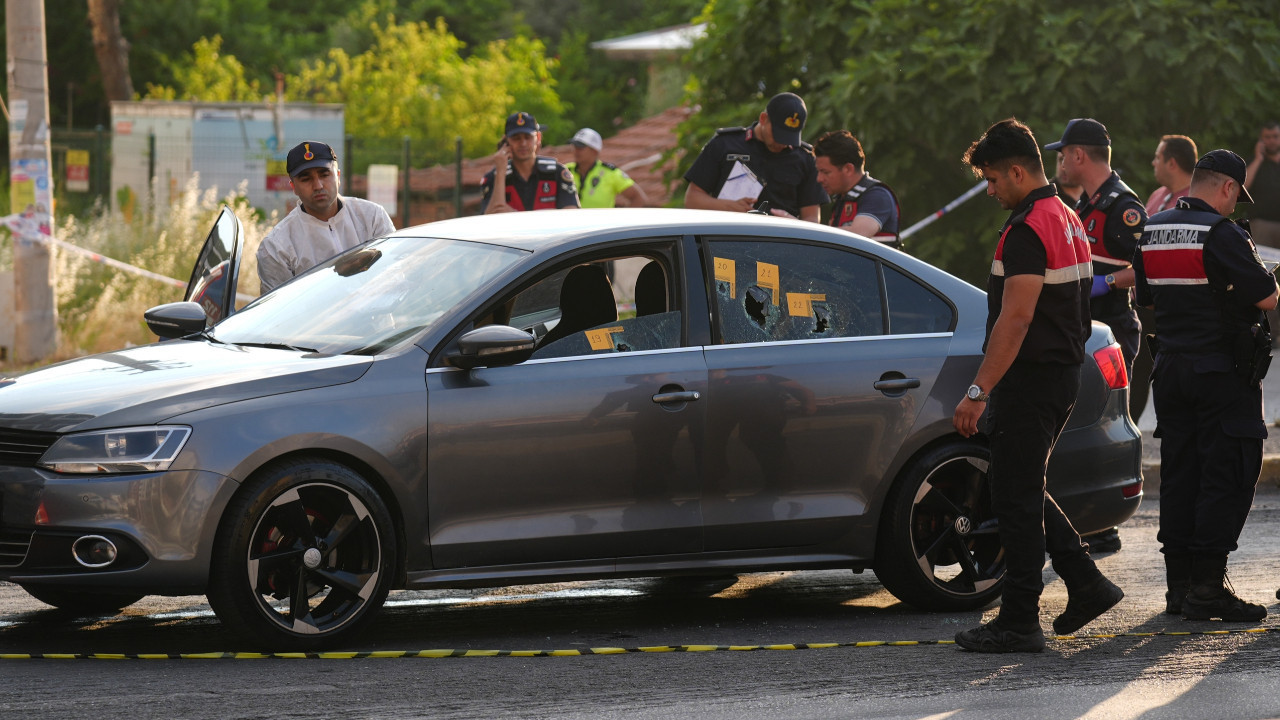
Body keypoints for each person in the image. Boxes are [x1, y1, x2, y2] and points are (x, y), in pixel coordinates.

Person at [952, 118, 1123, 653]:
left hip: (1032, 380)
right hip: (1059, 374)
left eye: (993, 179)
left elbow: (1015, 320)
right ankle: (1085, 582)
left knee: (1017, 498)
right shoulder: (1067, 217)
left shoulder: (1028, 228)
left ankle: (1021, 621)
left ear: (1018, 171)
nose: (990, 189)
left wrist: (977, 392)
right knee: (1018, 487)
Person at [1133, 149, 1277, 623]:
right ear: (1228, 188)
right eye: (1237, 198)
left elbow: (1146, 296)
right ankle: (1209, 588)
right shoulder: (1222, 232)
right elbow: (1266, 295)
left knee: (1181, 474)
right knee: (1228, 472)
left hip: (1170, 369)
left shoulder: (1153, 227)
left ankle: (1179, 589)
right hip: (1220, 372)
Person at [1047, 118, 1147, 380]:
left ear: (1078, 155)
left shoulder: (1123, 207)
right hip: (1087, 327)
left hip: (1112, 330)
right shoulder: (1087, 201)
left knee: (1107, 417)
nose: (1062, 163)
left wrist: (1110, 281)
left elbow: (1151, 265)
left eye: (1064, 154)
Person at [257, 140, 396, 295]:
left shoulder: (372, 217)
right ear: (293, 187)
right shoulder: (276, 246)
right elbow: (277, 311)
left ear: (338, 176)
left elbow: (394, 275)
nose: (318, 186)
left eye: (324, 175)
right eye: (306, 179)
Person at [683, 92, 828, 221]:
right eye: (778, 135)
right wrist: (730, 207)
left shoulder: (806, 158)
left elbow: (812, 217)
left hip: (780, 244)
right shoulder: (724, 145)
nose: (782, 143)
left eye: (789, 138)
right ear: (763, 119)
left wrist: (791, 222)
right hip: (726, 239)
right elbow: (692, 199)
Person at [812, 130, 901, 247]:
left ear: (848, 169)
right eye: (818, 172)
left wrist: (803, 230)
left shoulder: (877, 195)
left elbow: (858, 235)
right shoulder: (843, 198)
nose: (819, 179)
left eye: (825, 172)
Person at [480, 111, 580, 214]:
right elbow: (490, 219)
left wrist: (516, 215)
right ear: (506, 141)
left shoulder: (557, 173)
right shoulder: (494, 177)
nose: (523, 143)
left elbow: (571, 216)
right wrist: (500, 172)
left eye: (528, 137)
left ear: (538, 138)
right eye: (516, 138)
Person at [567, 128, 649, 209]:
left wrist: (624, 220)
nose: (576, 151)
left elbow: (638, 198)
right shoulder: (565, 170)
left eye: (580, 148)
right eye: (574, 147)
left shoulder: (610, 173)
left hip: (600, 222)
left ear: (594, 151)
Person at [1245, 122, 1280, 248]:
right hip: (1261, 226)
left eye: (1275, 136)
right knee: (1263, 266)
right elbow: (1243, 186)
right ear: (1261, 139)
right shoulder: (1253, 162)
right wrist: (1258, 158)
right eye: (1267, 137)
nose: (1271, 141)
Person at [1146, 135, 1197, 214]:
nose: (1153, 163)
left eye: (1158, 158)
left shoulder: (1197, 201)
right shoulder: (1156, 195)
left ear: (1171, 164)